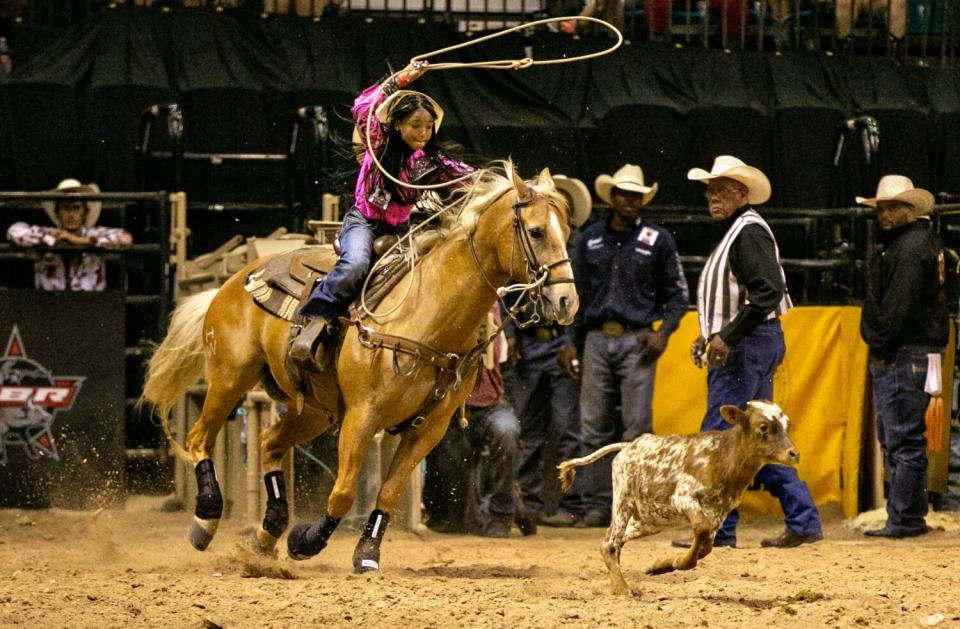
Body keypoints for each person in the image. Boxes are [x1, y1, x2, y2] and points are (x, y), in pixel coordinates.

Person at [677, 155, 822, 549]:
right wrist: (709, 335)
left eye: (722, 190)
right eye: (710, 191)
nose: (713, 197)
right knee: (756, 438)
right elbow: (741, 296)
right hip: (752, 343)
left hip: (747, 346)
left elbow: (767, 291)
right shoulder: (739, 231)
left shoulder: (747, 233)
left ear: (742, 194)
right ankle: (802, 517)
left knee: (721, 436)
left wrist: (726, 337)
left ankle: (718, 529)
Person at [290, 62, 472, 369]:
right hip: (364, 221)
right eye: (416, 125)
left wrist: (503, 184)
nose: (423, 133)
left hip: (401, 229)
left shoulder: (429, 162)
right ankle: (315, 318)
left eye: (428, 127)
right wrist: (401, 79)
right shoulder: (377, 142)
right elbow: (364, 105)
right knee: (356, 264)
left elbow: (467, 176)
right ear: (398, 124)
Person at [565, 164, 689, 528]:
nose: (630, 201)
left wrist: (663, 332)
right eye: (624, 194)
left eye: (636, 196)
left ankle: (635, 505)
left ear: (641, 199)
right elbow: (577, 296)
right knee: (593, 427)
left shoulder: (658, 240)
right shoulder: (590, 239)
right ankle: (597, 505)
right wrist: (572, 343)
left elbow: (677, 296)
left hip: (637, 338)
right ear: (613, 197)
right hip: (597, 338)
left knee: (636, 429)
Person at [858, 175, 947, 539]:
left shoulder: (907, 251)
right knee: (904, 437)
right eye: (882, 208)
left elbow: (898, 308)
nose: (885, 214)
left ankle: (905, 518)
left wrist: (879, 345)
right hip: (918, 350)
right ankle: (908, 514)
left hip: (903, 352)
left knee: (901, 438)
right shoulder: (922, 244)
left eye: (893, 207)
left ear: (911, 210)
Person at [509, 175, 592, 532]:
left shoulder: (577, 244)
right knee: (528, 425)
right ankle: (527, 501)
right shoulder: (526, 238)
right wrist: (511, 334)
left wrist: (571, 339)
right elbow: (509, 288)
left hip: (559, 341)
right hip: (530, 340)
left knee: (567, 426)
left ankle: (569, 504)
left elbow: (582, 293)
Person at [422, 306, 522, 538]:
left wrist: (506, 401)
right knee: (445, 458)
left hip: (491, 405)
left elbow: (505, 367)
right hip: (451, 407)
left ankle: (501, 513)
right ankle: (448, 513)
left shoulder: (494, 310)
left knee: (508, 435)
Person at [6, 178, 132, 291]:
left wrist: (79, 241)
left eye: (76, 208)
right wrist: (50, 239)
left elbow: (126, 239)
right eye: (66, 208)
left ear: (84, 212)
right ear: (58, 212)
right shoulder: (47, 233)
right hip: (49, 307)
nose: (71, 214)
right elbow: (14, 231)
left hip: (90, 307)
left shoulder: (95, 233)